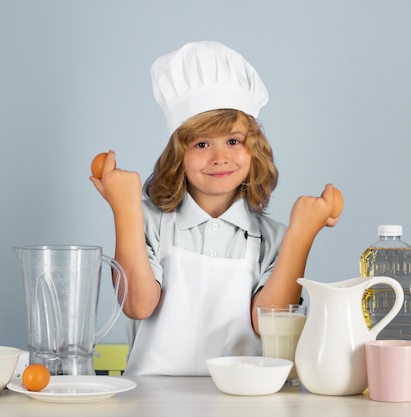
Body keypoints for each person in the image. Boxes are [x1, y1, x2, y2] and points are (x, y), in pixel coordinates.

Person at [90, 41, 340, 376]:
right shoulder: (147, 221)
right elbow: (137, 305)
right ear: (178, 155)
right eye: (202, 143)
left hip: (243, 400)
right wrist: (125, 209)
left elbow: (270, 325)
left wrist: (302, 235)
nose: (219, 157)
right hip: (151, 403)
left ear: (255, 150)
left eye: (233, 141)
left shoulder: (274, 238)